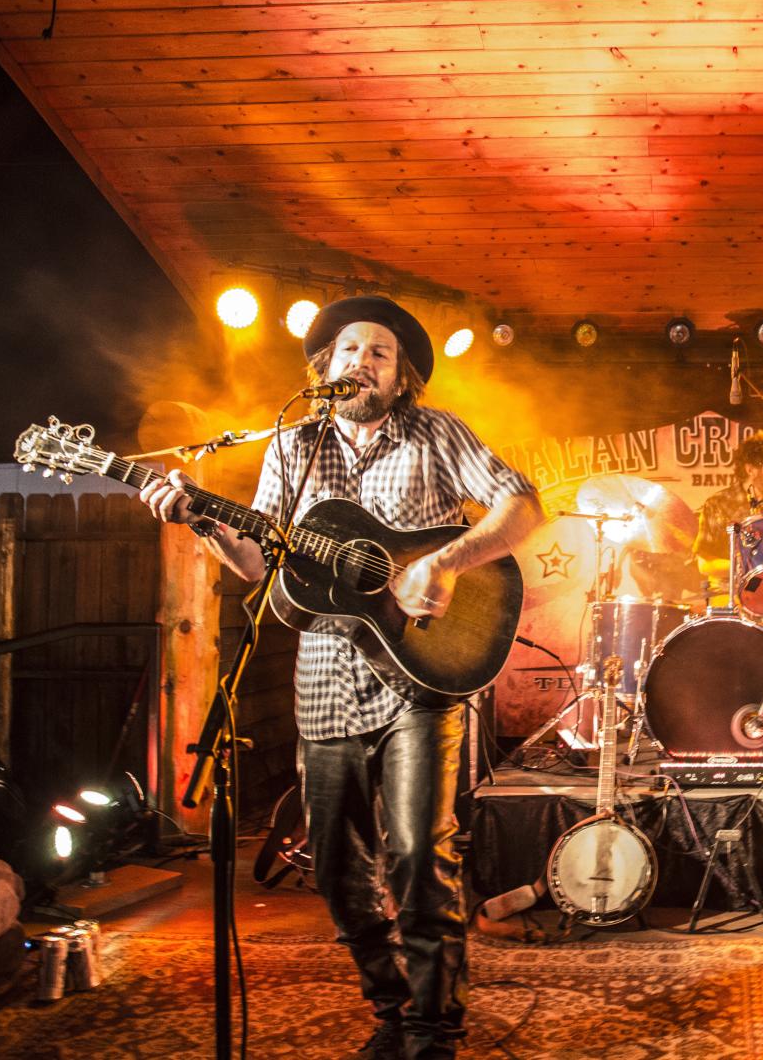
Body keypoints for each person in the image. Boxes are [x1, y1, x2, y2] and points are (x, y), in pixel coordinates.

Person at [139, 295, 544, 1060]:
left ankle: (434, 1032)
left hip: (419, 681)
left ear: (403, 377)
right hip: (324, 683)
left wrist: (444, 561)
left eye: (381, 352)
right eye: (351, 349)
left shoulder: (435, 434)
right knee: (334, 867)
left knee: (421, 855)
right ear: (325, 367)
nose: (363, 360)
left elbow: (522, 505)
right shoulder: (291, 448)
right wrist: (200, 519)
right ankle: (391, 1009)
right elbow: (263, 564)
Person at [692, 429, 763, 603]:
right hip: (729, 595)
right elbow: (705, 564)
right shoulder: (718, 505)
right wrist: (751, 568)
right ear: (751, 469)